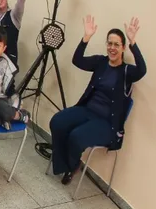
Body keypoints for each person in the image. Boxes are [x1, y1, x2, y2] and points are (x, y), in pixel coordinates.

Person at [50, 16, 144, 184]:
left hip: (107, 123)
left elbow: (142, 70)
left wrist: (133, 41)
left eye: (117, 44)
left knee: (76, 136)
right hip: (87, 110)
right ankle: (65, 163)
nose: (112, 48)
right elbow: (77, 60)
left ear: (123, 48)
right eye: (109, 43)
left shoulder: (127, 72)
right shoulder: (101, 62)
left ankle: (72, 166)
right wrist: (86, 38)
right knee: (57, 122)